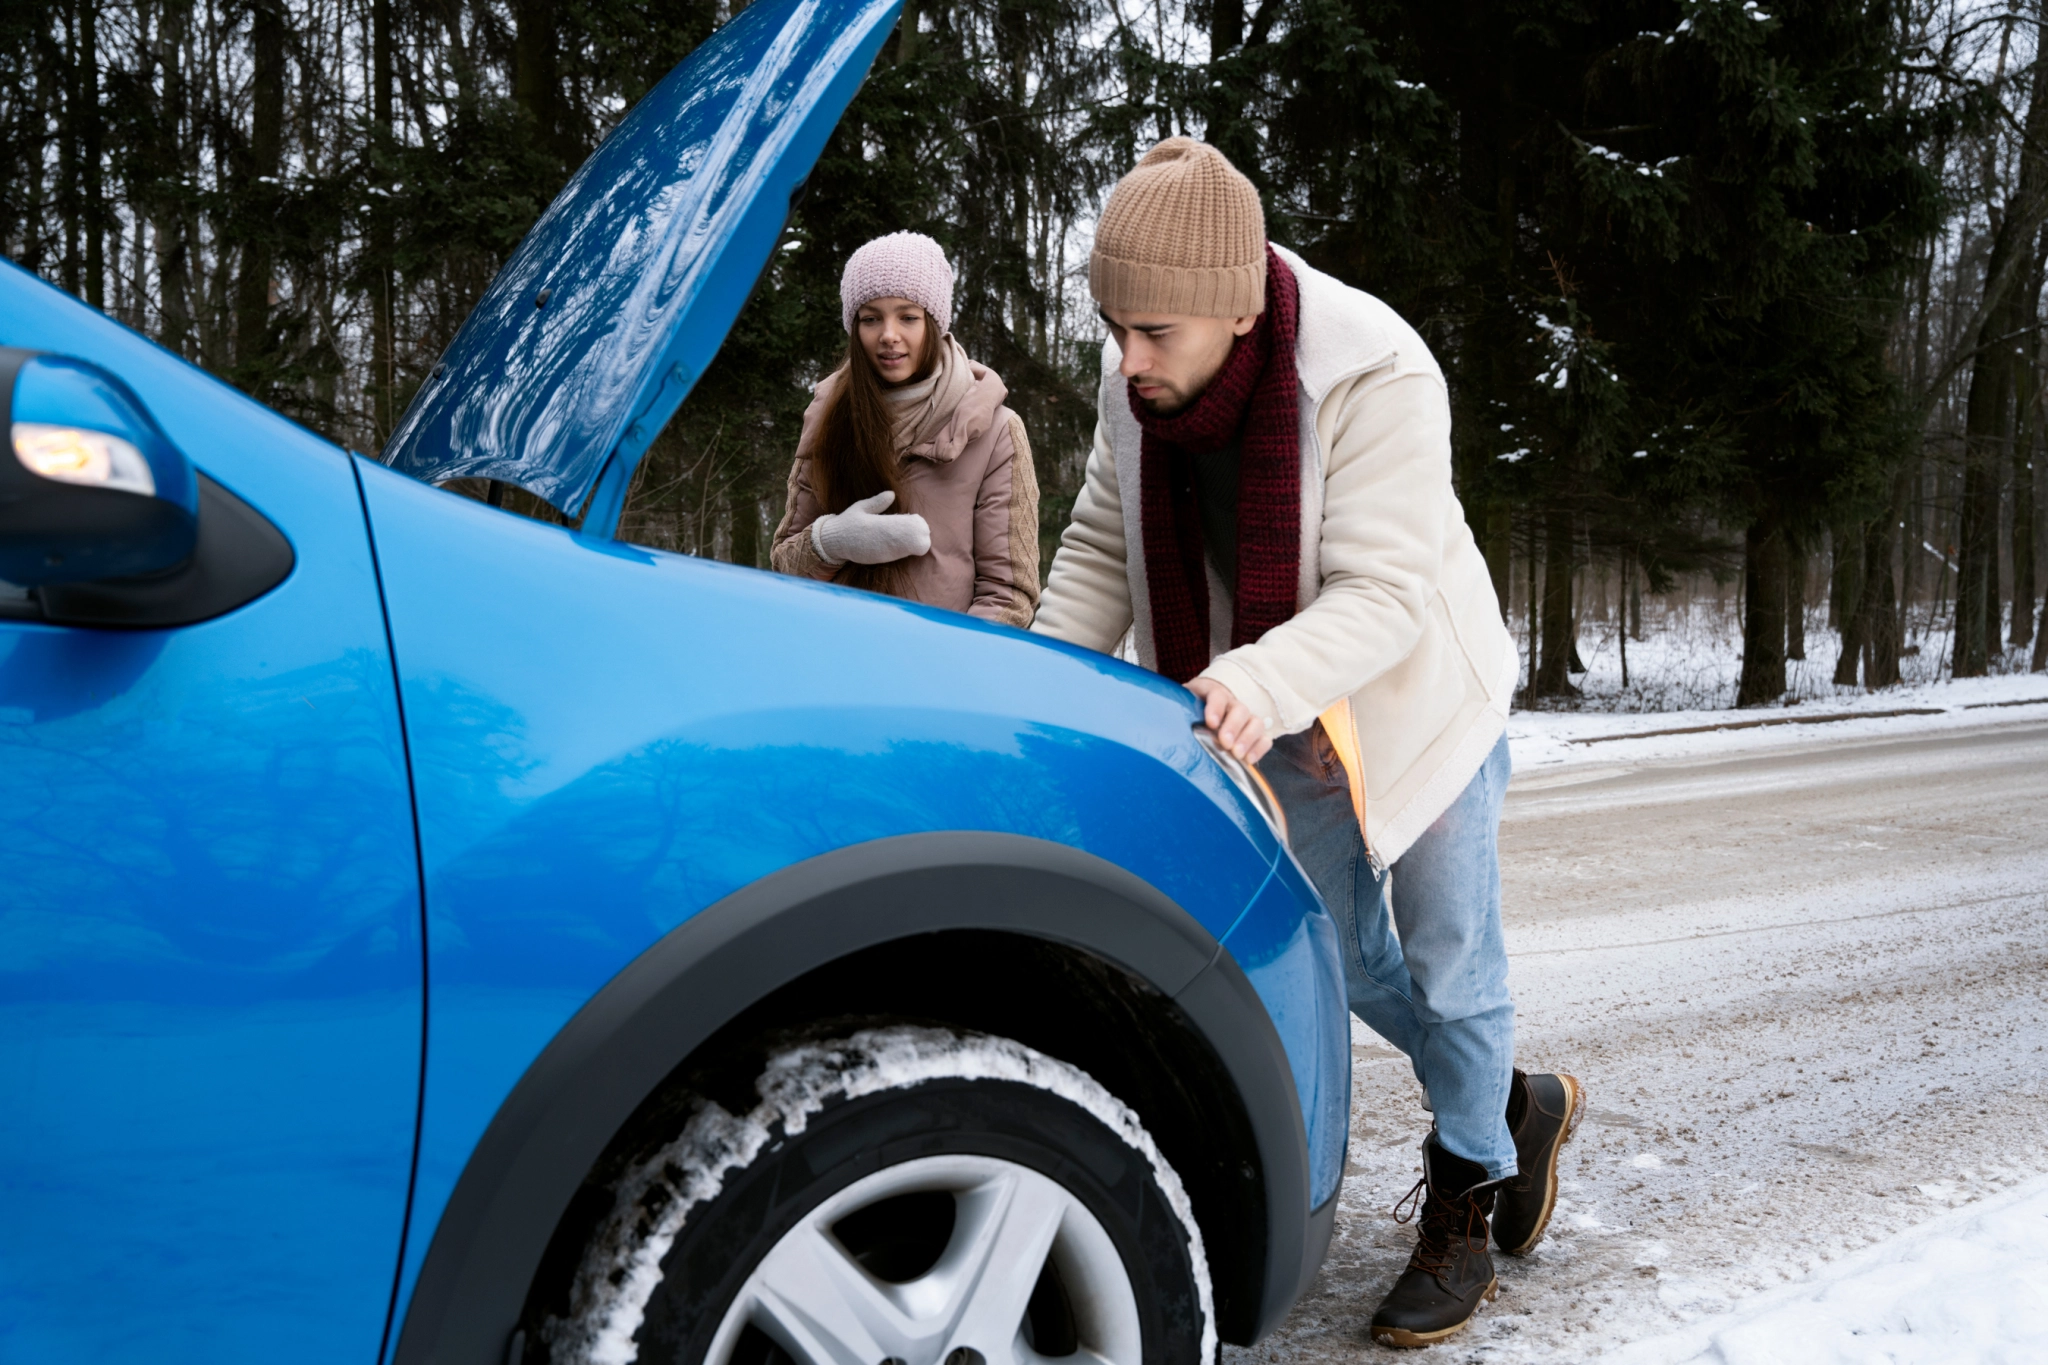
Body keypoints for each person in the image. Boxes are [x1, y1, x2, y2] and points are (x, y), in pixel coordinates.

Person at [1031, 139, 1583, 1348]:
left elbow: (1384, 594)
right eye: (1113, 325)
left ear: (1236, 308)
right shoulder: (1142, 379)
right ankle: (1509, 1099)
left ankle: (1469, 1197)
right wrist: (1033, 688)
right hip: (1271, 701)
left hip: (1405, 696)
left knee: (1448, 964)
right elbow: (1093, 552)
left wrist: (1253, 679)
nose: (1126, 359)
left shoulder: (1376, 367)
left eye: (1153, 331)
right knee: (1333, 955)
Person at [771, 231, 1040, 628]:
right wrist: (829, 541)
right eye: (871, 318)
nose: (888, 335)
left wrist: (945, 669)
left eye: (908, 316)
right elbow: (782, 567)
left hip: (939, 674)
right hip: (834, 660)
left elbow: (1009, 594)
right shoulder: (827, 418)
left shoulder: (997, 431)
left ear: (934, 323)